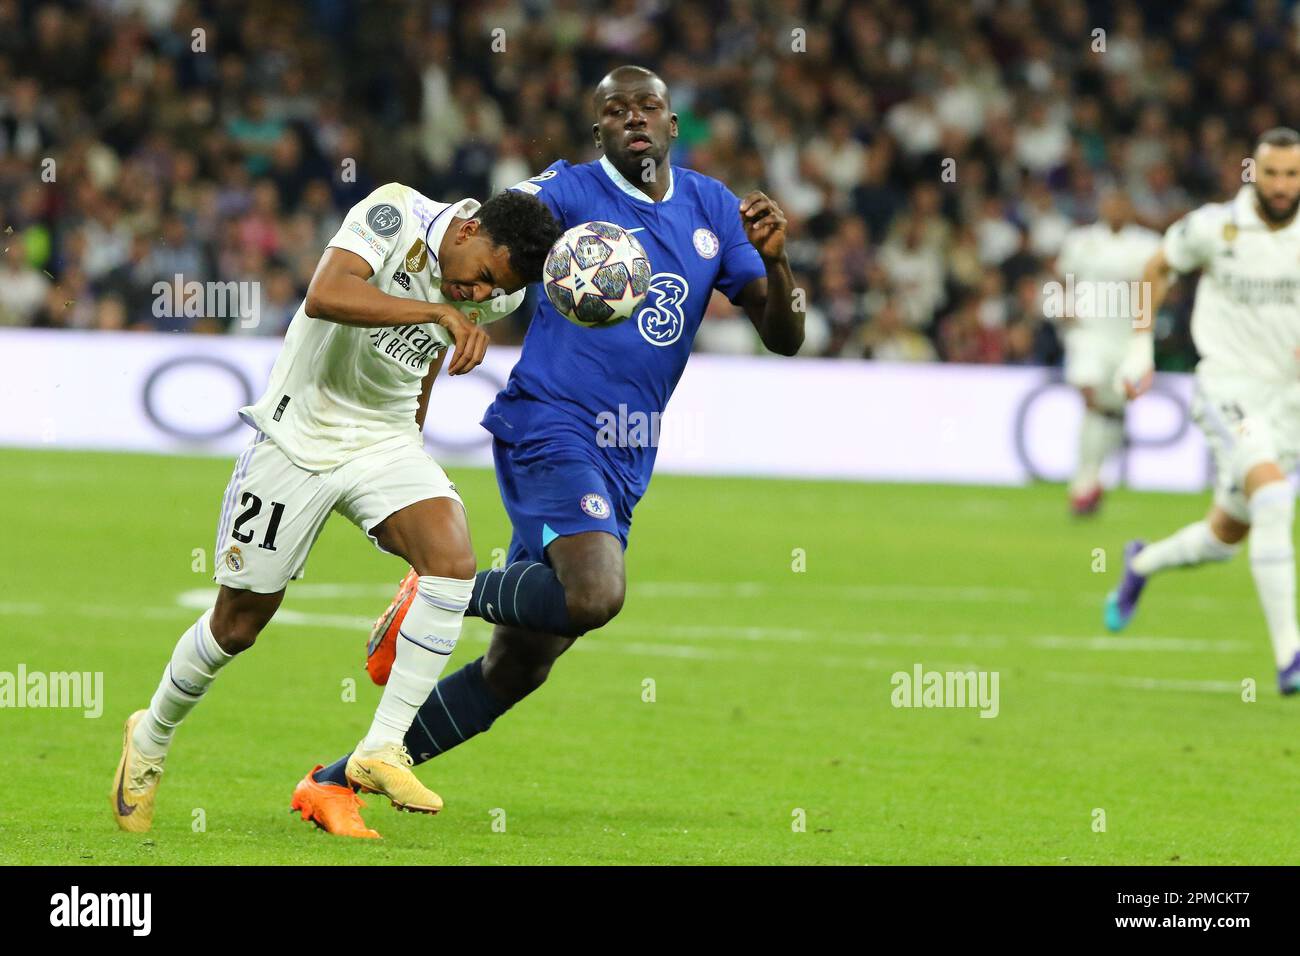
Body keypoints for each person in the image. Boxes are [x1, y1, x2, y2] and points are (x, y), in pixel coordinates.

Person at [301, 65, 806, 836]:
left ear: (673, 126)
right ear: (598, 130)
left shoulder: (713, 207)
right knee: (596, 594)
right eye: (615, 110)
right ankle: (439, 589)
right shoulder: (567, 190)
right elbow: (489, 229)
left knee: (522, 663)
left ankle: (335, 782)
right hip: (549, 422)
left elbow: (787, 337)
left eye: (649, 107)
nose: (634, 118)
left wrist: (776, 260)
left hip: (627, 452)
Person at [111, 183, 561, 838]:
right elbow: (326, 293)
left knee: (452, 562)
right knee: (237, 624)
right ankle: (149, 738)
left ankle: (382, 748)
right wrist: (433, 313)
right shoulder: (393, 213)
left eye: (494, 292)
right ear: (467, 232)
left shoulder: (501, 287)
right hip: (297, 437)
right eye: (481, 278)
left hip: (382, 441)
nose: (480, 296)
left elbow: (427, 363)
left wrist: (415, 434)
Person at [1105, 128, 1300, 695]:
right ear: (1253, 174)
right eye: (1272, 174)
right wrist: (1139, 346)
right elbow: (1156, 268)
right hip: (1227, 388)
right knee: (1272, 495)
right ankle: (1289, 655)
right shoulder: (1216, 226)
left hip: (1288, 400)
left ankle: (1140, 565)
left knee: (1225, 535)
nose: (1283, 186)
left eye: (1292, 175)